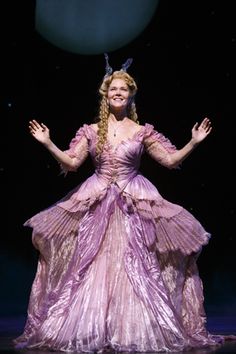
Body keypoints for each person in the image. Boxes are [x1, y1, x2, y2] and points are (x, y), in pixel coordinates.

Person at [14, 55, 228, 353]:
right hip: (96, 196)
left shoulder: (142, 132)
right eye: (113, 89)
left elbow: (169, 160)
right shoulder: (91, 130)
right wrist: (49, 143)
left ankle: (130, 329)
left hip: (133, 199)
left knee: (136, 264)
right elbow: (73, 162)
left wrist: (192, 143)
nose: (117, 93)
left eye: (123, 90)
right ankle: (91, 328)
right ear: (106, 94)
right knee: (91, 264)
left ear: (130, 95)